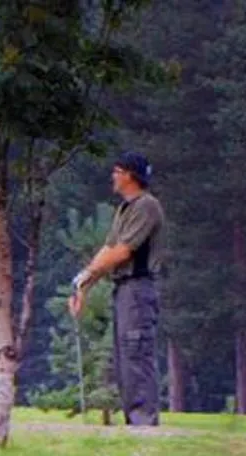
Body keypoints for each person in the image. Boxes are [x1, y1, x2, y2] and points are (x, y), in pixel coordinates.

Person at [70, 152, 163, 427]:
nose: (113, 176)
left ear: (129, 175)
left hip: (138, 288)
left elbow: (122, 252)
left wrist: (88, 274)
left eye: (117, 171)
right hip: (123, 290)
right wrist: (83, 285)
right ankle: (134, 421)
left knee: (136, 352)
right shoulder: (125, 209)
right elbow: (108, 249)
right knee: (124, 357)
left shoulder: (146, 206)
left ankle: (143, 423)